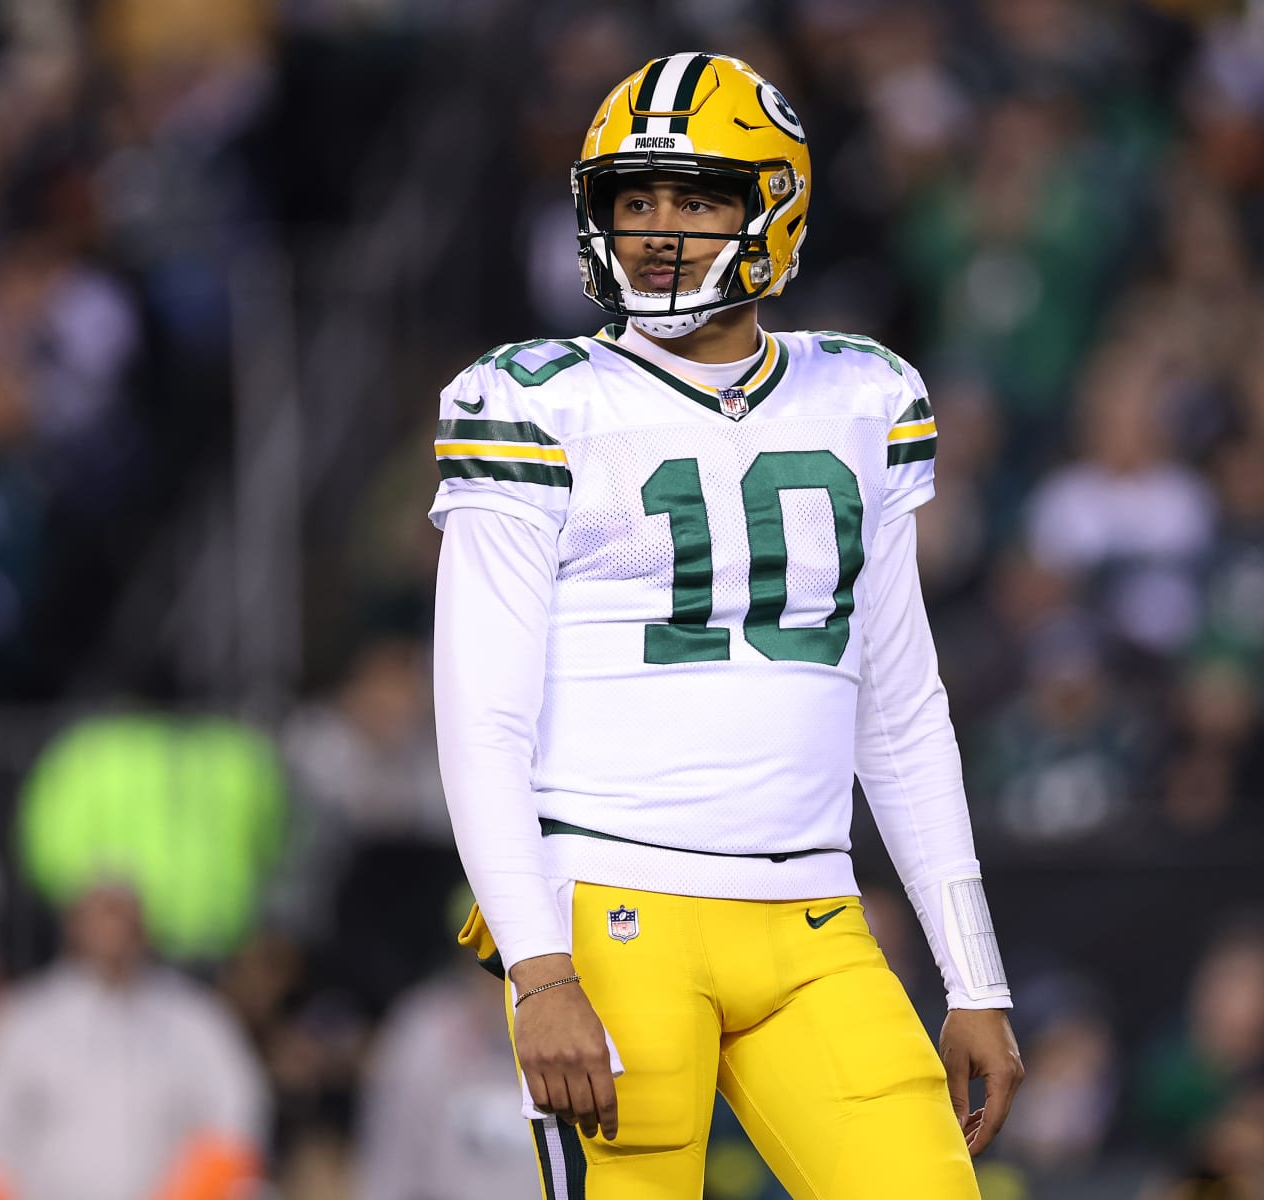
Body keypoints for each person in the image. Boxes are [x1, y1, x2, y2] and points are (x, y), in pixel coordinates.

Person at [429, 52, 1023, 1198]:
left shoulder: (861, 395)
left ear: (774, 206)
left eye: (696, 200)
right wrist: (540, 968)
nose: (659, 232)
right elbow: (480, 718)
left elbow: (901, 710)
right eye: (635, 200)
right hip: (611, 912)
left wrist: (974, 977)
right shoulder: (535, 400)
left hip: (813, 919)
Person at [0, 880, 267, 1200]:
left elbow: (236, 1123)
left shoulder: (197, 1020)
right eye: (102, 911)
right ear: (73, 923)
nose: (113, 929)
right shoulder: (21, 1021)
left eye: (122, 912)